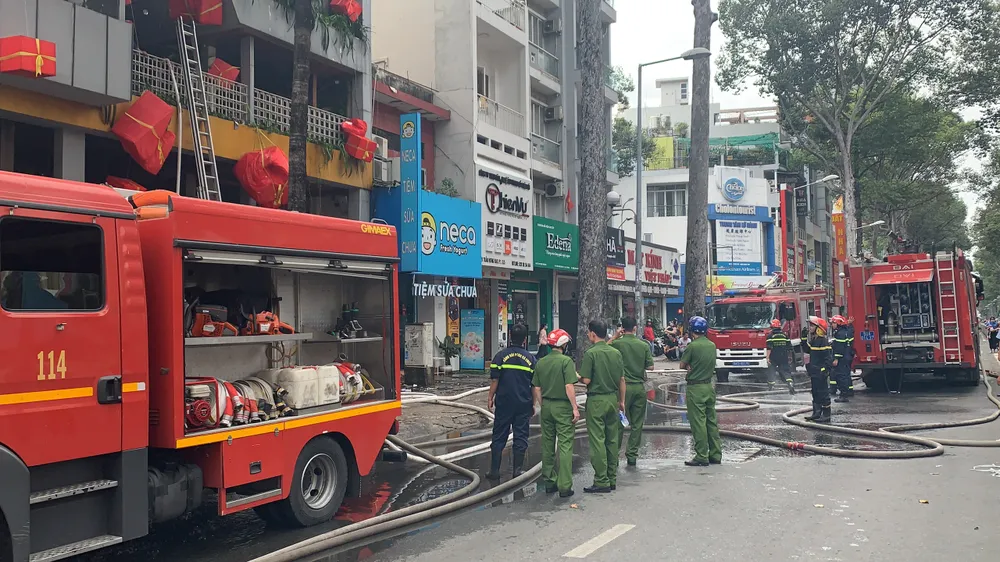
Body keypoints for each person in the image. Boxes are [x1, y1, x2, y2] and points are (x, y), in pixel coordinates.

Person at [532, 328, 580, 498]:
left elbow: (536, 388)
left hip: (546, 406)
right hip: (563, 407)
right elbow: (569, 386)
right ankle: (564, 486)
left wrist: (542, 404)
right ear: (564, 344)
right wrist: (575, 407)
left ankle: (549, 482)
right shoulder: (566, 362)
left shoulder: (541, 362)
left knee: (547, 444)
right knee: (565, 445)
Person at [580, 319, 626, 493]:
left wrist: (577, 377)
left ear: (592, 334)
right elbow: (622, 379)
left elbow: (586, 380)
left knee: (597, 440)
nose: (587, 335)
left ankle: (601, 480)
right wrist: (622, 401)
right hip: (612, 399)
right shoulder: (615, 353)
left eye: (588, 332)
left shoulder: (590, 354)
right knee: (612, 439)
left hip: (596, 400)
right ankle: (612, 478)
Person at [486, 324, 536, 480]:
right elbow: (534, 385)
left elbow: (495, 380)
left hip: (504, 403)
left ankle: (494, 471)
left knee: (499, 435)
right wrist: (533, 404)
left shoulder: (500, 357)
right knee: (520, 436)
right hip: (523, 404)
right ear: (525, 339)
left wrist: (490, 397)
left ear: (509, 336)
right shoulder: (531, 359)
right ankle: (517, 471)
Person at [679, 316, 723, 467]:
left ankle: (701, 455)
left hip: (695, 388)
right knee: (711, 422)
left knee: (698, 423)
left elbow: (682, 365)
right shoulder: (712, 345)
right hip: (709, 387)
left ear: (692, 330)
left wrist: (688, 366)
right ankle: (716, 454)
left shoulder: (692, 346)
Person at [610, 316, 654, 467]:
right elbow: (650, 367)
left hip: (622, 388)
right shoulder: (643, 345)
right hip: (639, 388)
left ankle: (614, 456)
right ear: (635, 328)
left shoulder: (616, 344)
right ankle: (632, 455)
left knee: (619, 422)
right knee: (637, 424)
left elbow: (602, 349)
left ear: (622, 328)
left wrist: (614, 337)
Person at [804, 316, 833, 423]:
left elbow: (828, 358)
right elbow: (807, 349)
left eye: (812, 326)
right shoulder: (814, 341)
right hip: (814, 372)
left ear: (819, 329)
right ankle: (816, 413)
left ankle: (826, 415)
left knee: (823, 393)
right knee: (815, 392)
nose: (810, 328)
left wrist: (824, 370)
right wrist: (803, 338)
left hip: (820, 372)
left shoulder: (823, 342)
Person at [766, 319, 796, 394]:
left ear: (772, 327)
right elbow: (789, 348)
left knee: (771, 371)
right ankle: (790, 383)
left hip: (774, 357)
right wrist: (789, 357)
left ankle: (771, 386)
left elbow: (769, 348)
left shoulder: (770, 336)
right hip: (783, 357)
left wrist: (767, 358)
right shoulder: (784, 335)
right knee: (786, 371)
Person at [830, 315, 855, 403]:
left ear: (839, 324)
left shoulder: (839, 334)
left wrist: (836, 358)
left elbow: (839, 347)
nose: (832, 325)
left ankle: (843, 395)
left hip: (842, 358)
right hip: (847, 356)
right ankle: (847, 392)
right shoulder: (846, 331)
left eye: (834, 323)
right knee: (846, 375)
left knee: (841, 376)